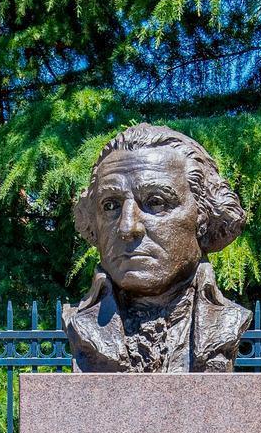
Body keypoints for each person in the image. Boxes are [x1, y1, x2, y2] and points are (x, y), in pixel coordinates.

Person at [63, 124, 251, 373]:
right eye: (110, 206)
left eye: (155, 202)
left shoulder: (227, 322)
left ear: (203, 217)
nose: (127, 227)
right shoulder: (80, 326)